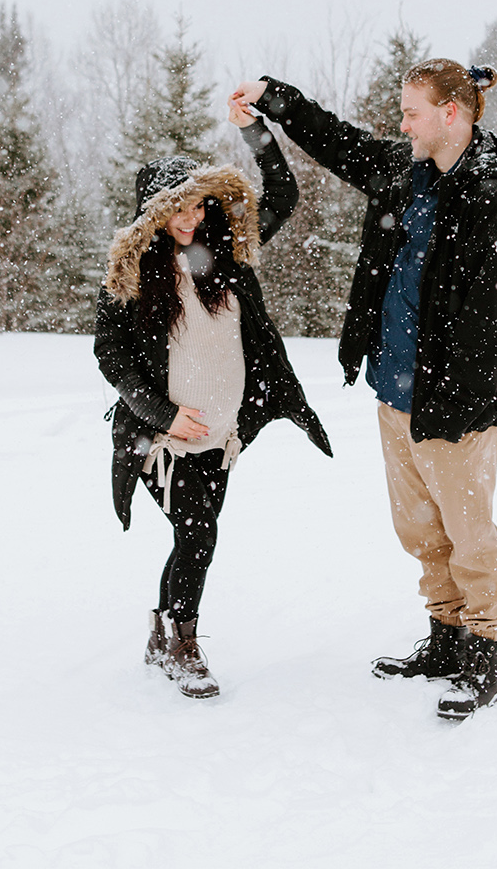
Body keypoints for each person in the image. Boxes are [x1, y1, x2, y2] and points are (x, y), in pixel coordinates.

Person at [230, 62, 497, 722]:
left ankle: (483, 654)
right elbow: (337, 142)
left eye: (412, 112)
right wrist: (273, 101)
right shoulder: (403, 172)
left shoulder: (489, 199)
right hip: (392, 389)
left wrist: (457, 406)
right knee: (419, 529)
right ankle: (445, 638)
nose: (402, 124)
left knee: (468, 533)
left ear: (451, 113)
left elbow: (495, 322)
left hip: (452, 406)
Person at [94, 101, 332, 700]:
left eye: (197, 203)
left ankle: (159, 629)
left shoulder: (228, 259)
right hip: (162, 441)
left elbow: (283, 193)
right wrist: (162, 414)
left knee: (192, 535)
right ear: (153, 213)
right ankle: (183, 645)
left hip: (222, 437)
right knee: (199, 535)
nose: (190, 216)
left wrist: (254, 129)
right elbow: (111, 357)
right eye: (176, 205)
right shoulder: (130, 276)